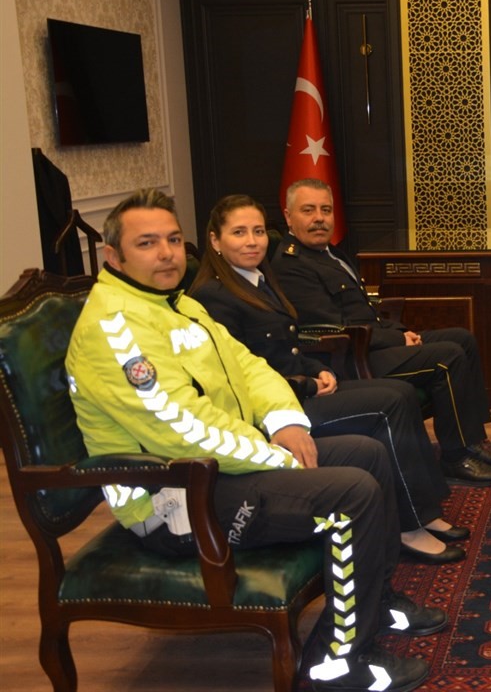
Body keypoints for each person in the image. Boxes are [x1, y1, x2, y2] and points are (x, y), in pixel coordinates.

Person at [65, 189, 444, 692]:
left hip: (223, 468)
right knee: (349, 495)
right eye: (147, 243)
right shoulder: (115, 327)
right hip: (173, 497)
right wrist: (275, 458)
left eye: (174, 240)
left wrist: (289, 423)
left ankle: (377, 604)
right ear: (113, 256)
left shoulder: (176, 304)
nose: (166, 253)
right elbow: (179, 428)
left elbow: (249, 366)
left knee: (367, 454)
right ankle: (339, 663)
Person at [190, 194, 469, 564]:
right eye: (239, 232)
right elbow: (241, 375)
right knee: (388, 405)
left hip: (299, 389)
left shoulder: (258, 279)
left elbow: (285, 346)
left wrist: (314, 367)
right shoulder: (214, 297)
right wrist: (306, 382)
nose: (252, 241)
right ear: (215, 241)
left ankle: (422, 510)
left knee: (400, 394)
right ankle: (408, 526)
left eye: (258, 231)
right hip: (279, 413)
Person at [272, 178, 491, 485]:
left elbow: (362, 310)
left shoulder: (331, 253)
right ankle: (456, 457)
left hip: (375, 343)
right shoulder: (291, 264)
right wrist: (396, 338)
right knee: (448, 356)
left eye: (326, 209)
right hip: (350, 357)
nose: (319, 218)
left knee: (462, 338)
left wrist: (402, 330)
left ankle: (470, 441)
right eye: (308, 210)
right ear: (288, 216)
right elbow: (335, 326)